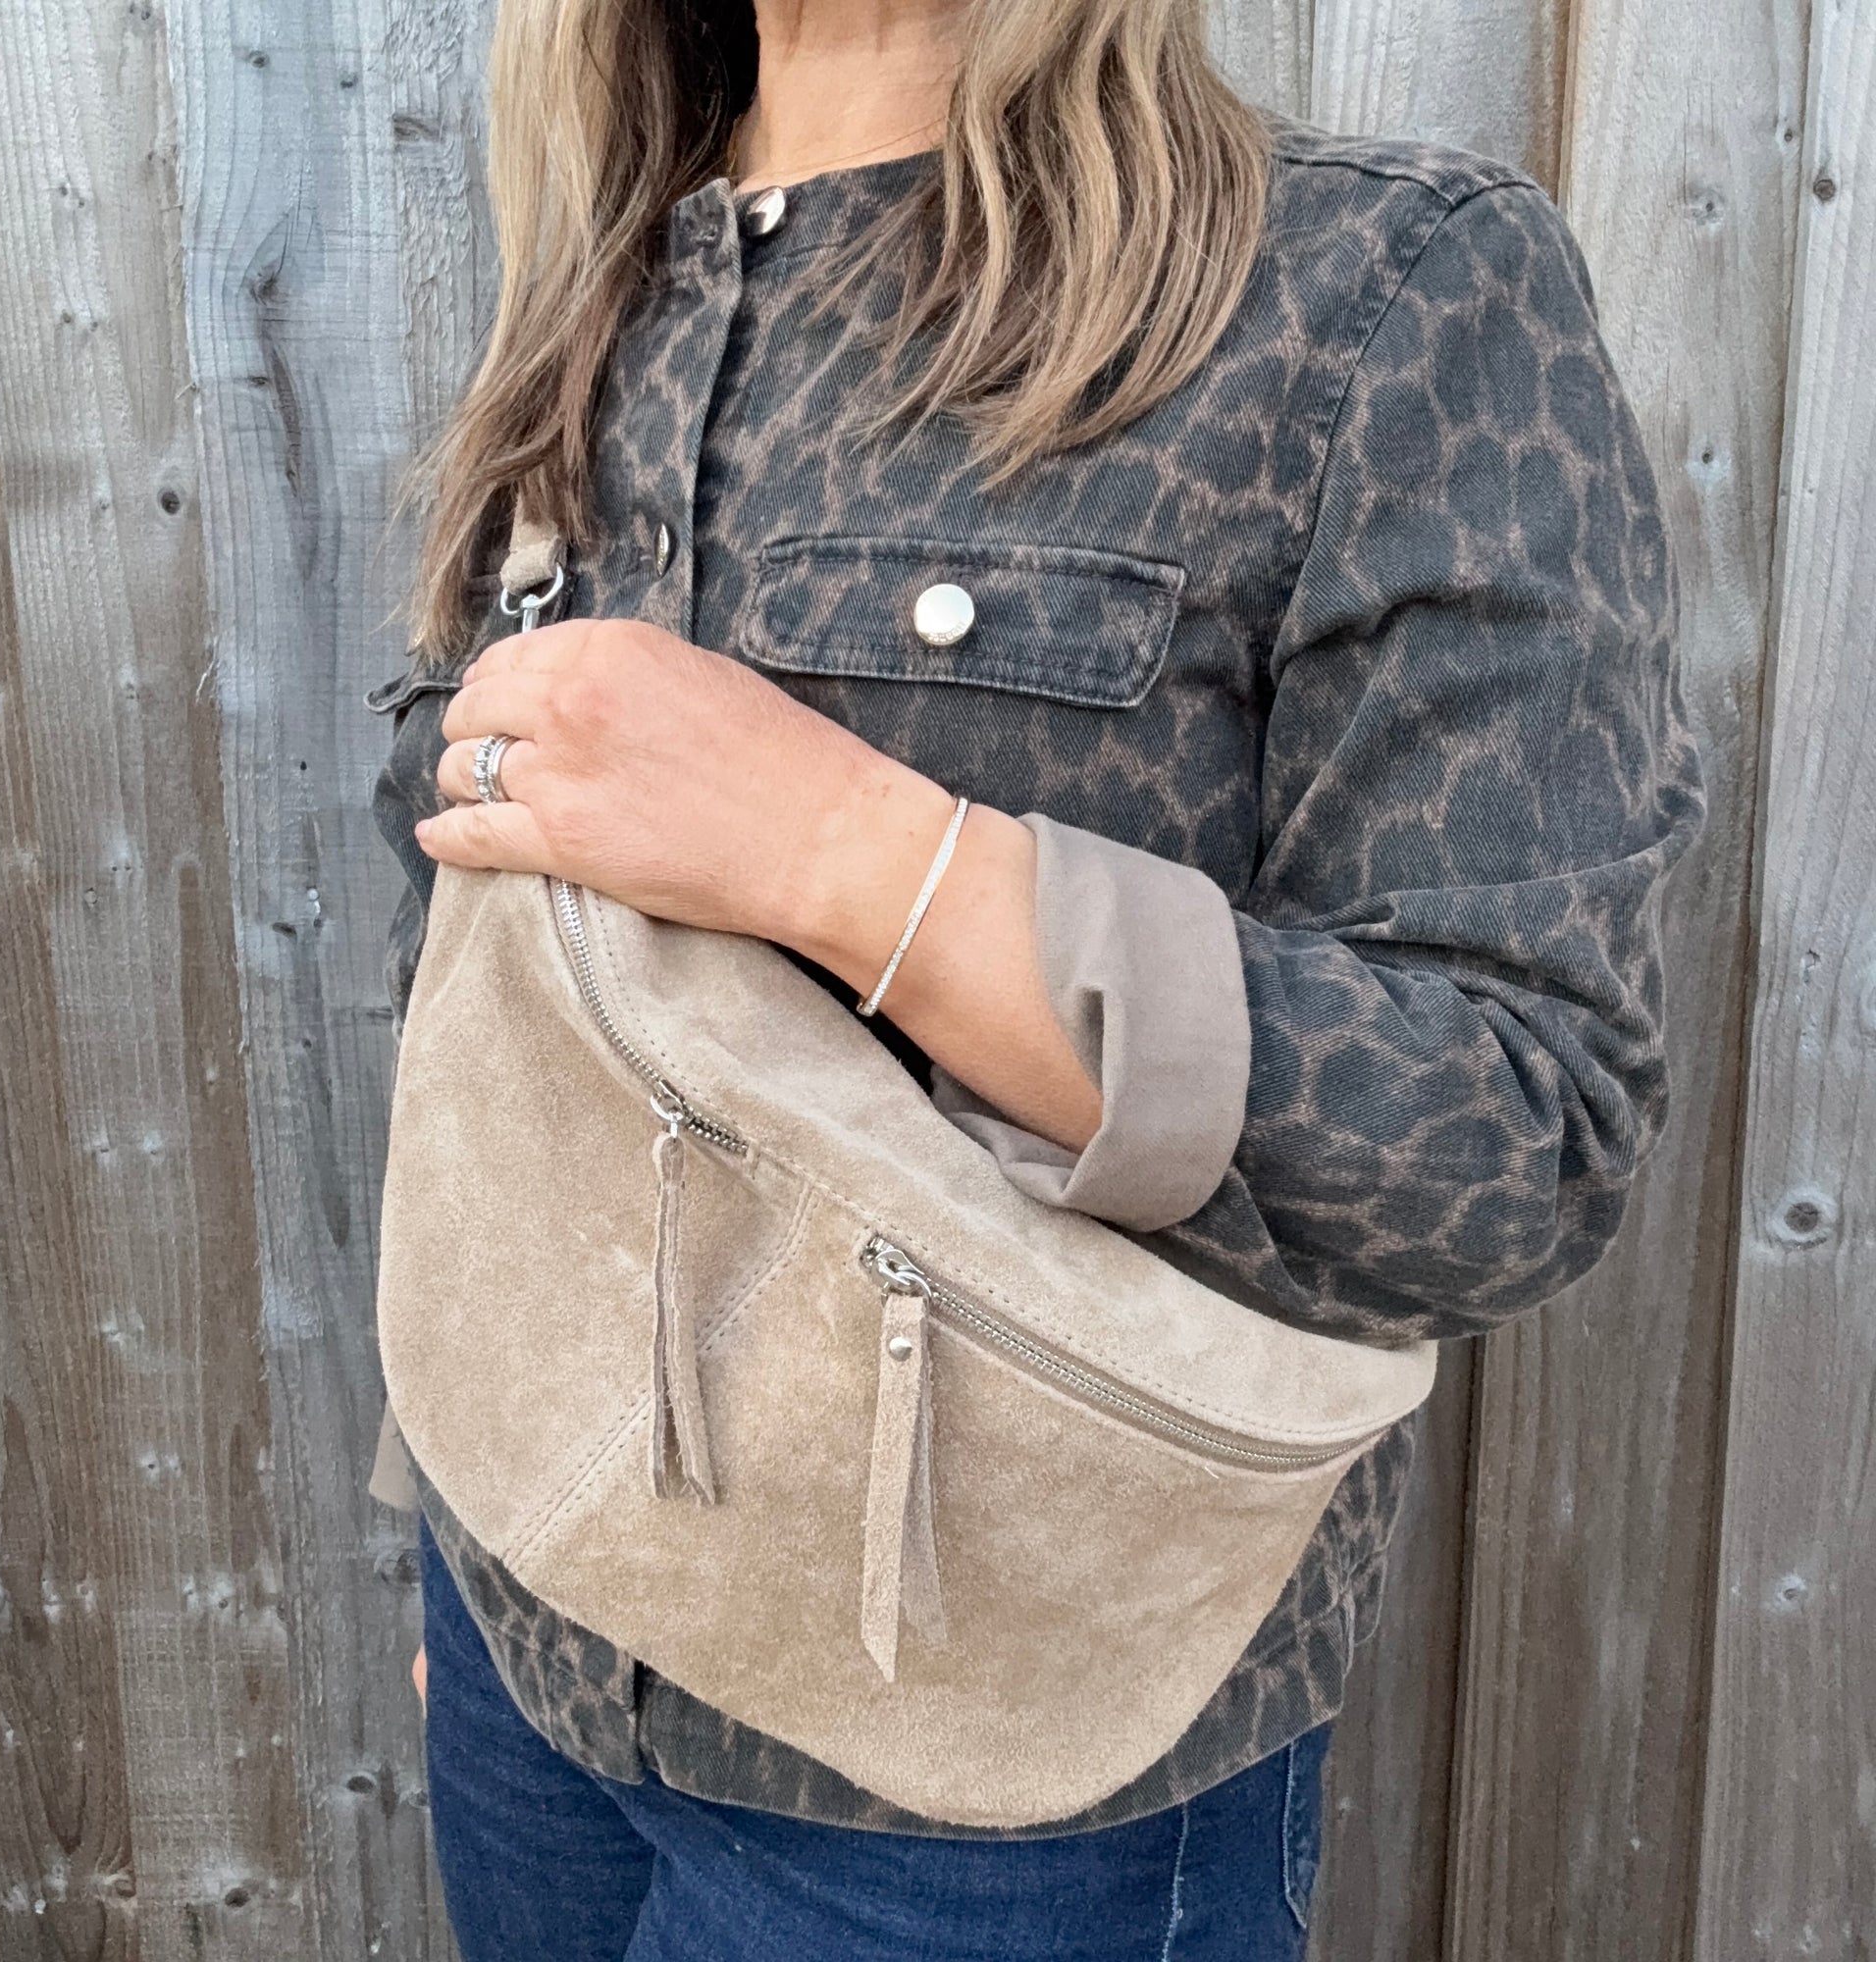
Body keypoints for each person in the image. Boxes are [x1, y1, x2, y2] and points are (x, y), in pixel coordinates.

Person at [364, 0, 1703, 1955]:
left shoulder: (1368, 292)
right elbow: (499, 1016)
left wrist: (846, 853)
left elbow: (1510, 1136)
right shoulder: (601, 291)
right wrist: (467, 1534)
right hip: (532, 1671)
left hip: (1002, 1779)